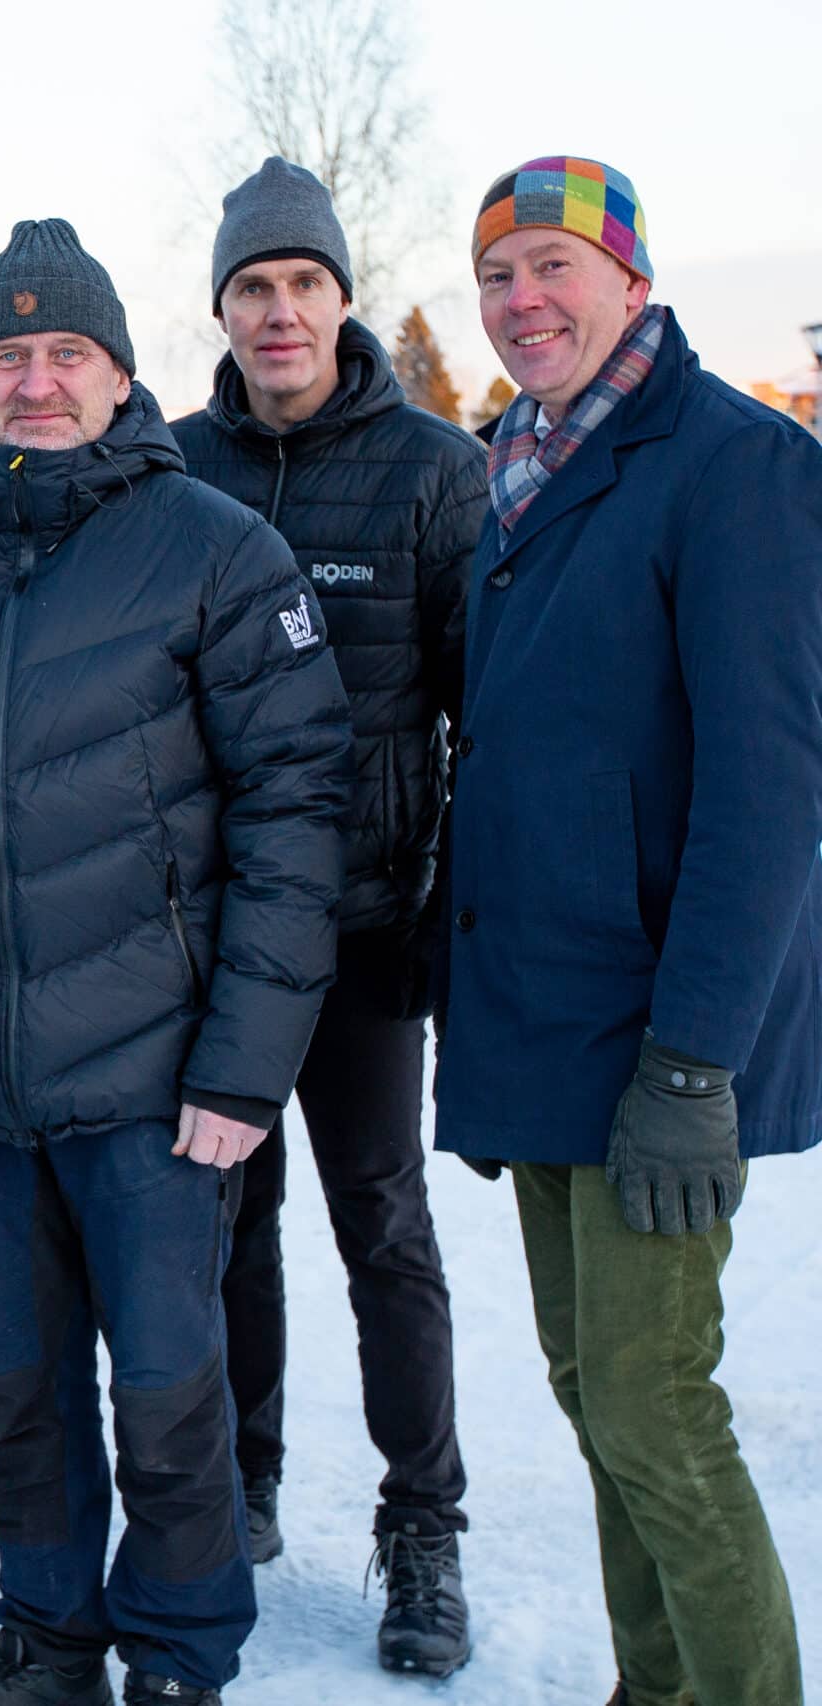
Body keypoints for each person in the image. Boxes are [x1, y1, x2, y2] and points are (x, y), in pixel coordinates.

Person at [0, 222, 351, 1706]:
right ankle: (50, 1637)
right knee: (11, 1389)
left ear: (119, 375)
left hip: (158, 1081)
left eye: (68, 355)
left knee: (172, 1397)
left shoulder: (218, 552)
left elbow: (300, 820)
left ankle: (176, 1656)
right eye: (9, 356)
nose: (38, 382)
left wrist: (244, 1063)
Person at [441, 155, 821, 1706]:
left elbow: (770, 784)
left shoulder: (734, 463)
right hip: (546, 1007)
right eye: (497, 275)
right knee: (596, 1390)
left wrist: (696, 1060)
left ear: (631, 282)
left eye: (553, 266)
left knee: (658, 1403)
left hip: (658, 1030)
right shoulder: (517, 466)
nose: (521, 300)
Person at [168, 158, 481, 1675]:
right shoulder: (169, 468)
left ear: (342, 298)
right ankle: (247, 1477)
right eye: (251, 288)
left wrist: (442, 907)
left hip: (364, 931)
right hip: (213, 935)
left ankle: (424, 1521)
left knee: (381, 1222)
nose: (278, 312)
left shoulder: (432, 469)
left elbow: (478, 714)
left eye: (302, 284)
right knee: (230, 1219)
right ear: (220, 309)